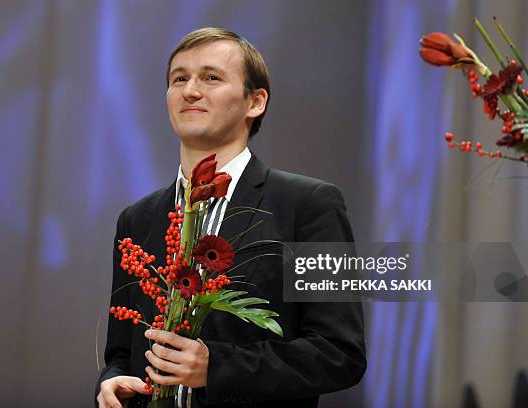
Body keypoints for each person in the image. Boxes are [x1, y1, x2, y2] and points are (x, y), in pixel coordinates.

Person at [96, 27, 366, 408]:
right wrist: (110, 383)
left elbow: (339, 354)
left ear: (255, 102)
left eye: (211, 77)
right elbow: (122, 351)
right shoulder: (138, 219)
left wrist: (216, 367)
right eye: (179, 78)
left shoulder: (308, 205)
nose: (190, 90)